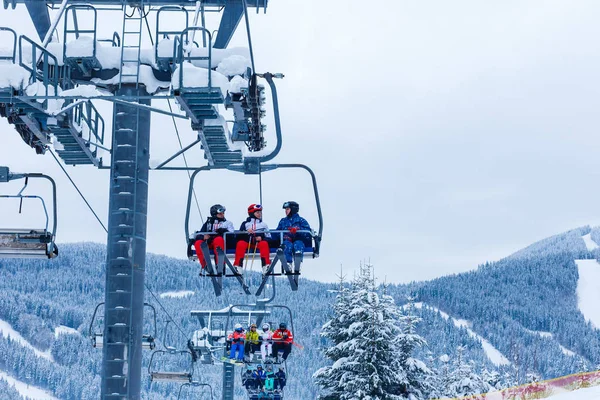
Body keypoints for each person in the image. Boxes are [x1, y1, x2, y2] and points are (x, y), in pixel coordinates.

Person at [193, 204, 235, 270]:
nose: (222, 215)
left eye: (223, 213)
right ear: (215, 214)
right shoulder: (208, 224)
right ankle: (205, 265)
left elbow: (232, 235)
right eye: (220, 214)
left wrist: (223, 231)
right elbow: (200, 234)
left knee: (218, 239)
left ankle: (220, 264)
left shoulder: (227, 223)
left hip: (221, 244)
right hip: (209, 243)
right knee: (198, 243)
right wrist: (203, 237)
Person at [234, 204, 272, 274]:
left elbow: (269, 238)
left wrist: (262, 238)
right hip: (248, 243)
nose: (259, 214)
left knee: (264, 244)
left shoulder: (263, 225)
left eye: (260, 212)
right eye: (257, 212)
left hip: (258, 244)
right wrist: (246, 233)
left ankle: (265, 266)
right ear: (252, 213)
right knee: (240, 244)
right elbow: (238, 237)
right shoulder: (245, 224)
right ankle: (238, 266)